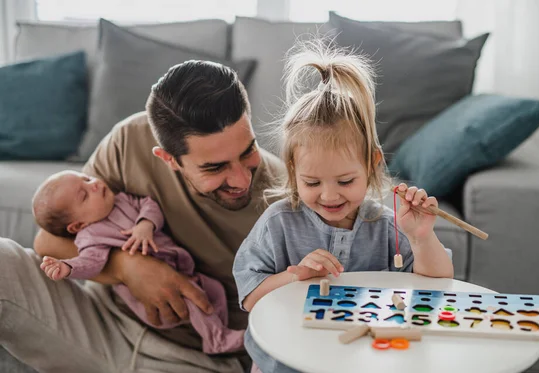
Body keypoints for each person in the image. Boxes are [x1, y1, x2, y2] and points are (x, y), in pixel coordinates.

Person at [0, 60, 284, 372]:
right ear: (168, 159)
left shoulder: (284, 197)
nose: (242, 179)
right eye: (214, 167)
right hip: (104, 322)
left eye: (248, 151)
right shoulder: (129, 140)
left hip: (201, 357)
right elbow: (49, 242)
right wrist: (127, 267)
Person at [232, 40, 454, 372]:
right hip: (284, 362)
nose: (330, 195)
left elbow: (436, 287)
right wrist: (298, 276)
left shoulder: (388, 227)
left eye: (346, 181)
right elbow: (250, 297)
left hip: (365, 360)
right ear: (292, 172)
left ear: (372, 164)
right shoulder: (278, 222)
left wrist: (421, 237)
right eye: (312, 183)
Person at [33, 170, 245, 354]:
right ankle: (216, 340)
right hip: (154, 292)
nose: (95, 184)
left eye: (87, 179)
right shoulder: (90, 237)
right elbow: (91, 263)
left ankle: (219, 328)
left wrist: (146, 224)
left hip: (177, 265)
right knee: (194, 301)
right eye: (85, 195)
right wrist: (68, 267)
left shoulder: (122, 200)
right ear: (78, 225)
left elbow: (149, 205)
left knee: (215, 290)